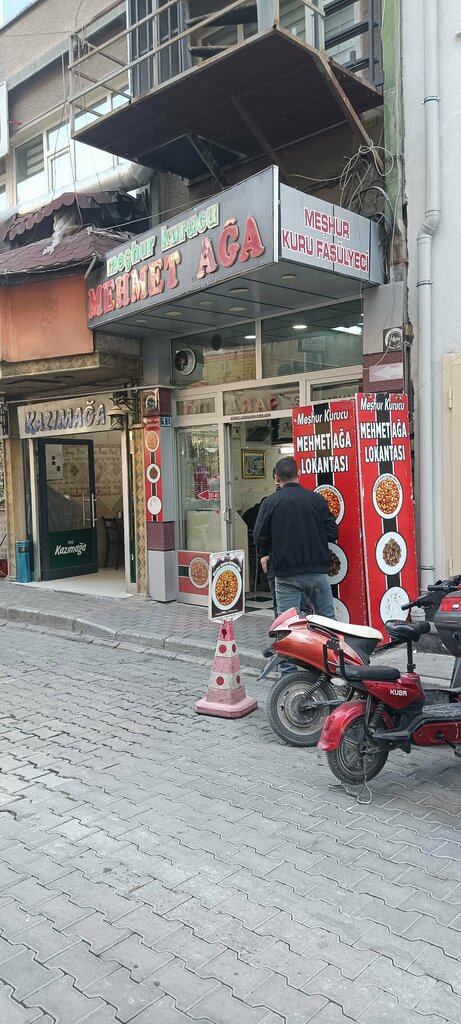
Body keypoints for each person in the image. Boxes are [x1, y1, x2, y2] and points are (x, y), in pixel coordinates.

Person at [254, 455, 338, 623]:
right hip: (316, 571)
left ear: (277, 478)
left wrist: (264, 553)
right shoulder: (317, 500)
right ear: (298, 473)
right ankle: (327, 648)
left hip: (285, 575)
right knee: (328, 621)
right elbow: (333, 533)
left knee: (288, 624)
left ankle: (291, 649)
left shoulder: (270, 502)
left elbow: (259, 534)